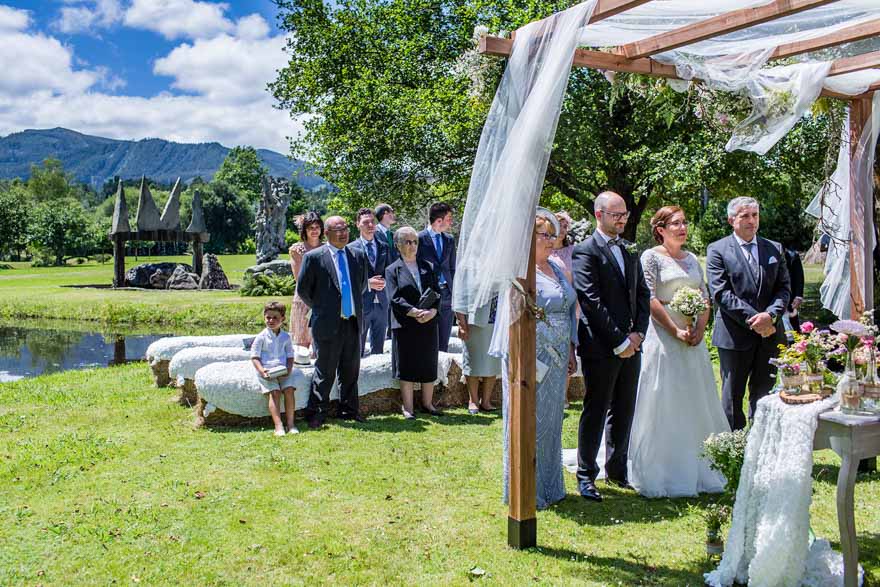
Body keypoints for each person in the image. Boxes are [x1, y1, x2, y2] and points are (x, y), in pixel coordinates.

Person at [629, 206, 729, 497]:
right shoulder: (651, 258)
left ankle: (701, 462)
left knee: (695, 397)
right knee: (664, 396)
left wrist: (699, 328)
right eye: (676, 223)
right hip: (663, 338)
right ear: (661, 229)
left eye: (684, 222)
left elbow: (705, 298)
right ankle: (664, 466)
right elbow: (649, 299)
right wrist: (675, 331)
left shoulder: (692, 260)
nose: (683, 227)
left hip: (692, 341)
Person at [573, 191, 650, 502]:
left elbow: (642, 295)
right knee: (596, 409)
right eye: (616, 214)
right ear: (599, 215)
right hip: (601, 346)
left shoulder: (630, 249)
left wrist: (638, 334)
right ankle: (585, 475)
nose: (622, 219)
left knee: (623, 409)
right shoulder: (585, 251)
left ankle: (617, 470)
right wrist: (619, 340)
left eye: (624, 214)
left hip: (632, 344)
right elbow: (590, 300)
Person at [503, 209, 578, 509]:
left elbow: (568, 309)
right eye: (544, 235)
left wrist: (571, 349)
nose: (551, 240)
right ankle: (527, 487)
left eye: (552, 234)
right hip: (533, 357)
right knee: (529, 420)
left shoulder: (557, 269)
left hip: (559, 358)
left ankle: (551, 485)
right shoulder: (521, 274)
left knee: (551, 421)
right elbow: (515, 318)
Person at [707, 196, 791, 431]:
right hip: (735, 336)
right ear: (731, 219)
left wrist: (771, 316)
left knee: (765, 394)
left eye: (755, 215)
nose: (751, 221)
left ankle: (760, 441)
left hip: (770, 334)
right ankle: (732, 449)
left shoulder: (773, 248)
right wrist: (756, 319)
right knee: (732, 396)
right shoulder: (718, 250)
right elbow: (721, 293)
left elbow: (784, 288)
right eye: (745, 216)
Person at [296, 215, 370, 428]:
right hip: (327, 323)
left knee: (351, 370)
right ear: (326, 233)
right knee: (325, 370)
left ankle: (348, 410)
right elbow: (303, 290)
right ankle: (317, 412)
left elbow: (362, 285)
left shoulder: (357, 255)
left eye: (345, 228)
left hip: (353, 322)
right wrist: (323, 307)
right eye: (338, 229)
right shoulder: (315, 257)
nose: (343, 232)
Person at [385, 226, 443, 418]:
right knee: (407, 364)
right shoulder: (392, 270)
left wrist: (433, 311)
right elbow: (394, 298)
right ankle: (408, 407)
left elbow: (437, 293)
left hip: (428, 321)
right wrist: (413, 312)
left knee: (428, 362)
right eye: (408, 242)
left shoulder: (429, 266)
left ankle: (428, 404)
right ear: (398, 245)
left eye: (415, 241)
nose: (412, 245)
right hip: (405, 323)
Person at [250, 301, 299, 436]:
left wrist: (289, 369)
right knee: (275, 393)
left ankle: (291, 424)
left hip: (283, 370)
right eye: (268, 317)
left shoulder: (286, 337)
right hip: (267, 371)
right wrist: (262, 371)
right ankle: (279, 426)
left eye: (275, 318)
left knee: (289, 390)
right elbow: (254, 357)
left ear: (282, 319)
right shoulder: (261, 337)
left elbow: (290, 356)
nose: (271, 320)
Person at [349, 208, 390, 356]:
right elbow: (348, 280)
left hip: (382, 303)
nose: (370, 225)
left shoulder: (384, 246)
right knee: (357, 349)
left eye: (372, 221)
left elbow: (391, 272)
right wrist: (367, 283)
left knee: (378, 350)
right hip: (361, 303)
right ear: (357, 224)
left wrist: (387, 282)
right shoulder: (350, 249)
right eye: (366, 222)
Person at [418, 202, 456, 352]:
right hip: (427, 295)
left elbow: (452, 268)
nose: (450, 222)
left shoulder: (449, 240)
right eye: (448, 219)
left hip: (447, 294)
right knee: (427, 339)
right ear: (439, 220)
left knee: (444, 341)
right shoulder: (419, 238)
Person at [456, 299, 500, 415]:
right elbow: (458, 297)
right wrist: (461, 322)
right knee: (473, 362)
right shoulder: (467, 279)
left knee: (492, 362)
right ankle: (473, 401)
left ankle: (486, 402)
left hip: (497, 320)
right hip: (472, 319)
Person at [289, 212, 324, 349]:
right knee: (302, 340)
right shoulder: (297, 249)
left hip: (324, 297)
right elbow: (298, 277)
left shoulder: (327, 247)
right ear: (305, 230)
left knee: (321, 339)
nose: (314, 231)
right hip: (304, 297)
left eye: (317, 227)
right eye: (311, 228)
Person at [784, 245, 805, 334]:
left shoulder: (792, 255)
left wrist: (798, 296)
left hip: (790, 296)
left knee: (793, 327)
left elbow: (798, 276)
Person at [550, 211, 575, 282]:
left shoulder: (573, 251)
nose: (562, 230)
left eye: (565, 227)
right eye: (559, 225)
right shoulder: (544, 250)